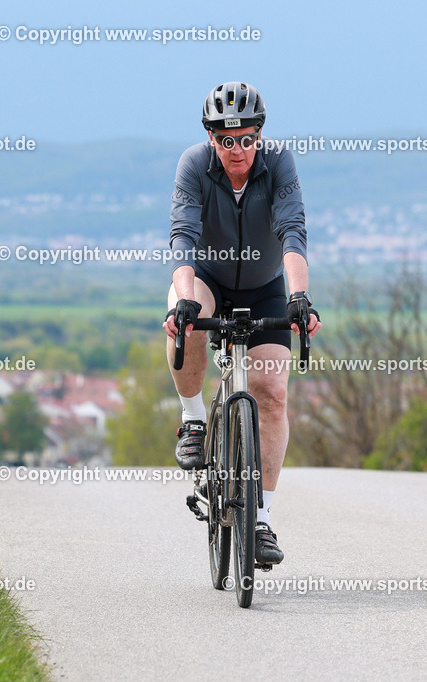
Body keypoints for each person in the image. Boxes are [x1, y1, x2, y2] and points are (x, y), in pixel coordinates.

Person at [163, 82, 321, 566]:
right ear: (211, 138)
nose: (238, 151)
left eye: (247, 139)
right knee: (181, 322)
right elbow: (183, 236)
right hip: (206, 277)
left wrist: (298, 296)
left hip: (265, 284)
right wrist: (185, 301)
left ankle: (261, 518)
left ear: (260, 135)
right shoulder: (194, 164)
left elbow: (292, 230)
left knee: (273, 390)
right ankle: (193, 417)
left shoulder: (279, 163)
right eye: (227, 140)